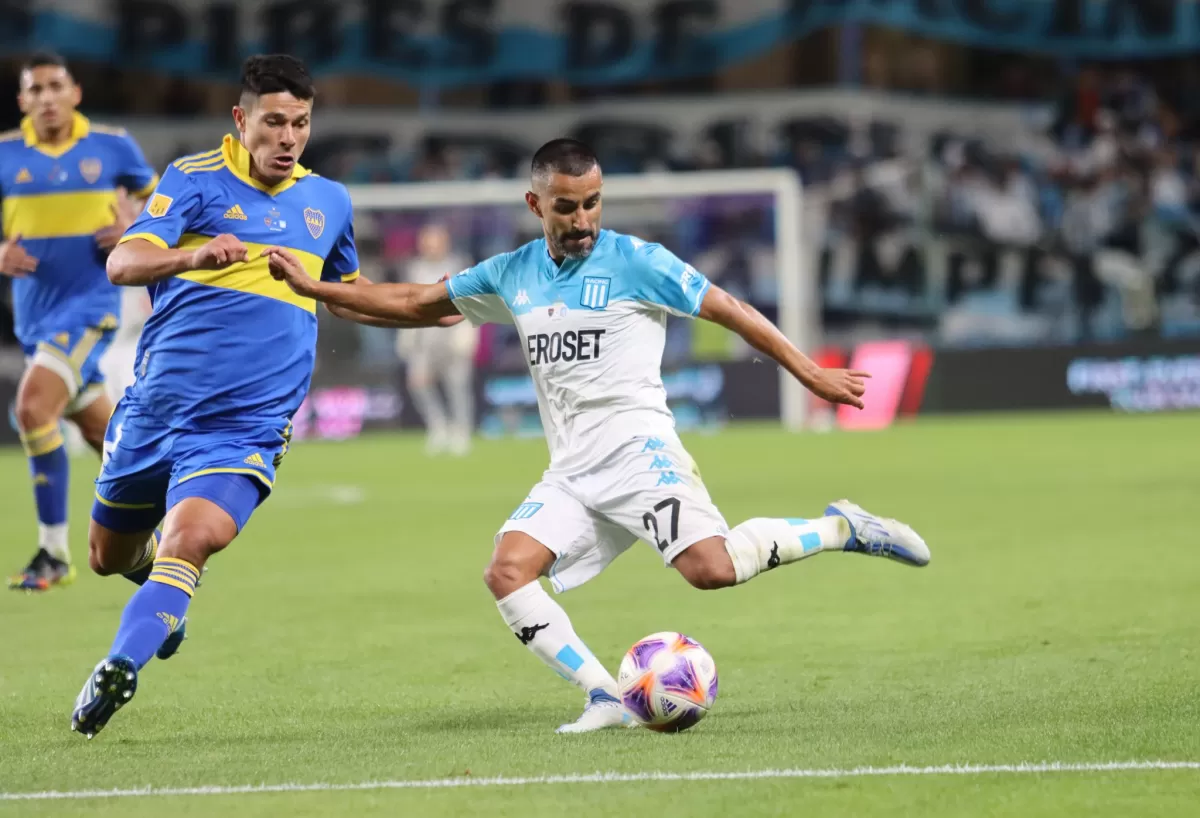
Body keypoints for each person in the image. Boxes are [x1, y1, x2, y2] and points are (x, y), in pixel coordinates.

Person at [272, 138, 931, 734]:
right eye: (567, 206)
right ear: (536, 203)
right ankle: (604, 696)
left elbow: (728, 308)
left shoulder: (637, 261)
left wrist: (808, 371)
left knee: (713, 570)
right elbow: (418, 303)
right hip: (572, 472)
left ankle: (842, 528)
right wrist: (321, 289)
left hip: (639, 453)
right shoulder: (513, 273)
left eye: (591, 203)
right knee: (506, 571)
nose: (583, 219)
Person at [70, 54, 424, 739]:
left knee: (192, 538)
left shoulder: (329, 202)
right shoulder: (194, 182)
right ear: (242, 120)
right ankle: (160, 603)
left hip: (244, 427)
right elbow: (122, 262)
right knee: (109, 556)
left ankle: (118, 666)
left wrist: (427, 305)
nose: (287, 138)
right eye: (273, 123)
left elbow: (346, 296)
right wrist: (188, 256)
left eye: (300, 123)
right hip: (156, 413)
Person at [0, 51, 158, 591]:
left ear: (75, 93)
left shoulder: (111, 146)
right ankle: (157, 540)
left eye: (54, 86)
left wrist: (133, 230)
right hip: (35, 316)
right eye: (35, 89)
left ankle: (53, 552)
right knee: (110, 435)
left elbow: (164, 203)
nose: (46, 97)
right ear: (22, 101)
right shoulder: (5, 154)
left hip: (91, 308)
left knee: (32, 409)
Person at [397, 222, 477, 455]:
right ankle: (438, 427)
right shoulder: (414, 269)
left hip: (453, 337)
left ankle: (461, 432)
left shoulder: (459, 265)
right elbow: (408, 303)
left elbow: (472, 301)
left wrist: (468, 333)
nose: (431, 247)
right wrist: (406, 336)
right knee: (419, 384)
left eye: (435, 242)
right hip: (425, 339)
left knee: (458, 387)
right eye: (427, 242)